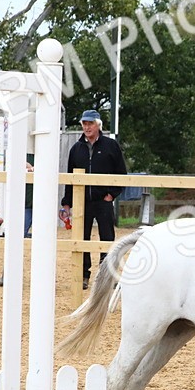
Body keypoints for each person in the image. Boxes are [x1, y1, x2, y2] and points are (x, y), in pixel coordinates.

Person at [61, 109, 128, 290]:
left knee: (107, 238)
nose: (86, 127)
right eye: (84, 123)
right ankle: (83, 275)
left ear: (98, 125)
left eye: (90, 123)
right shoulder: (76, 148)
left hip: (103, 201)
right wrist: (67, 202)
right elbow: (70, 177)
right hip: (82, 202)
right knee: (81, 238)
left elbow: (121, 173)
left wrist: (112, 194)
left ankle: (106, 276)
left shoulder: (111, 146)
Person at [0, 154, 34, 288]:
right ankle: (7, 274)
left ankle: (43, 277)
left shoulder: (46, 149)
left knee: (45, 243)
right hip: (24, 203)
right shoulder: (19, 150)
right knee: (15, 239)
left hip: (41, 202)